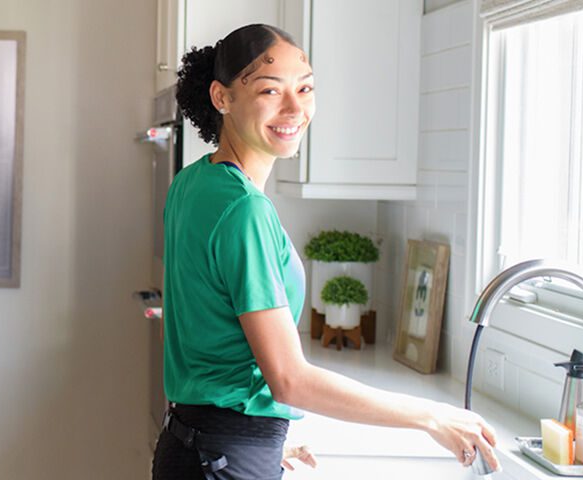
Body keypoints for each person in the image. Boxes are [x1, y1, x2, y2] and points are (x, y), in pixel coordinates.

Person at [152, 23, 501, 480]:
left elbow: (209, 340)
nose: (295, 108)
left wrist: (252, 440)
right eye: (270, 91)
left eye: (305, 88)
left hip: (195, 444)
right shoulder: (244, 209)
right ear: (222, 97)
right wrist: (430, 415)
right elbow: (289, 379)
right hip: (219, 456)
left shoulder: (193, 183)